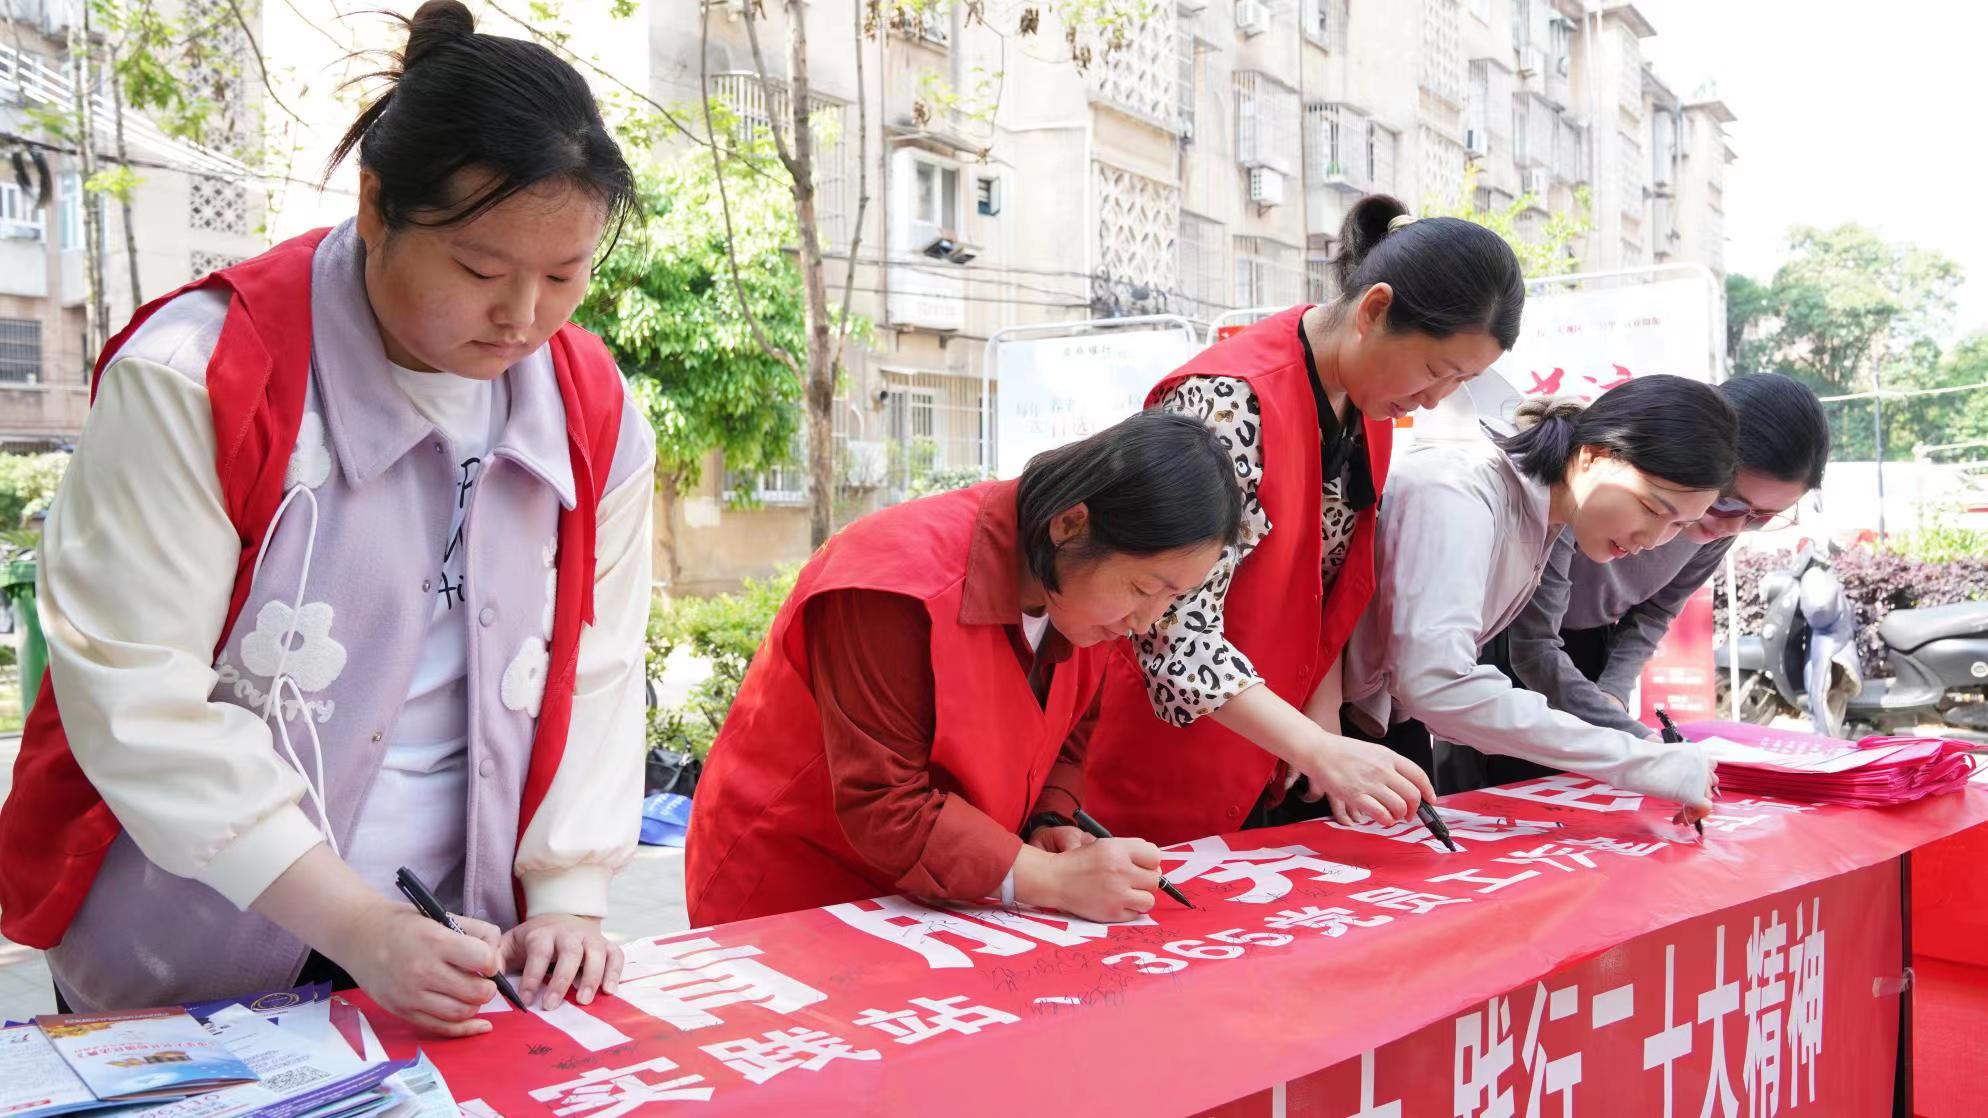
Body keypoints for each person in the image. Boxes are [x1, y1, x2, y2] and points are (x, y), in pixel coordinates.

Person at [0, 0, 652, 1036]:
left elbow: (605, 658)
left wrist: (570, 890)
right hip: (190, 938)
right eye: (481, 270)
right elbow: (137, 694)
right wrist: (355, 923)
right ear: (374, 203)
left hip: (456, 934)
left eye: (564, 276)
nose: (521, 317)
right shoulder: (202, 374)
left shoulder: (592, 409)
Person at [685, 410, 1242, 927]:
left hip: (942, 896)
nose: (1146, 622)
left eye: (1171, 600)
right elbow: (885, 803)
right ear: (1071, 525)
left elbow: (1069, 738)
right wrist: (1048, 879)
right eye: (1145, 589)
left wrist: (1050, 825)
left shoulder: (1084, 601)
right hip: (796, 886)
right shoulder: (893, 585)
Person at [1084, 195, 1525, 844]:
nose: (1434, 401)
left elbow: (1322, 590)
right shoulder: (1227, 400)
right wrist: (1318, 748)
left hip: (1264, 746)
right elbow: (1168, 628)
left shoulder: (1365, 404)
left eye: (1458, 382)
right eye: (1436, 369)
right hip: (1161, 757)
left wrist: (1320, 731)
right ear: (1374, 311)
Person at [1339, 376, 1735, 821]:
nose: (1654, 540)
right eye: (1653, 509)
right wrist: (1637, 760)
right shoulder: (1461, 491)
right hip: (1318, 732)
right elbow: (1437, 683)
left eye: (1680, 526)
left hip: (1373, 723)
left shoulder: (1542, 512)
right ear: (1593, 457)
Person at [1460, 375, 1831, 785]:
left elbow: (1657, 612)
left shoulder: (1717, 523)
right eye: (1727, 503)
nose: (1735, 526)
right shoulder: (1572, 498)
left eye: (1762, 519)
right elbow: (1528, 650)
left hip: (1582, 651)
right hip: (1506, 644)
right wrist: (1640, 743)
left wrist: (1614, 698)